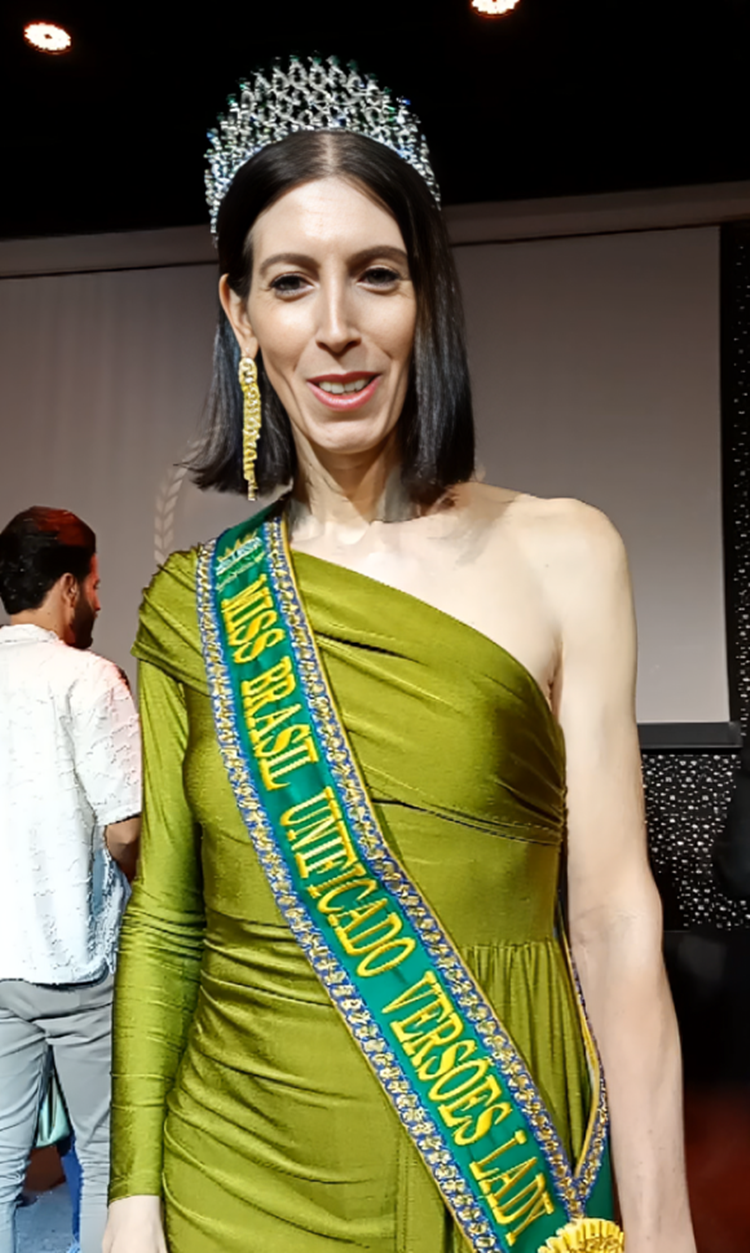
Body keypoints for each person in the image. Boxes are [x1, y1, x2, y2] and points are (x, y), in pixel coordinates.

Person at [105, 58, 696, 1253]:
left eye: (376, 274)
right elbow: (165, 922)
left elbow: (614, 917)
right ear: (240, 313)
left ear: (425, 293)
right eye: (291, 281)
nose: (337, 326)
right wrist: (129, 1197)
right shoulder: (190, 605)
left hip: (498, 1154)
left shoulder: (566, 550)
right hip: (236, 1174)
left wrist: (667, 1222)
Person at [0, 507, 141, 1253]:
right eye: (94, 584)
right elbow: (125, 828)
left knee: (0, 1163)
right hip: (76, 966)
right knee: (104, 1156)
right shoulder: (89, 679)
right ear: (66, 587)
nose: (98, 600)